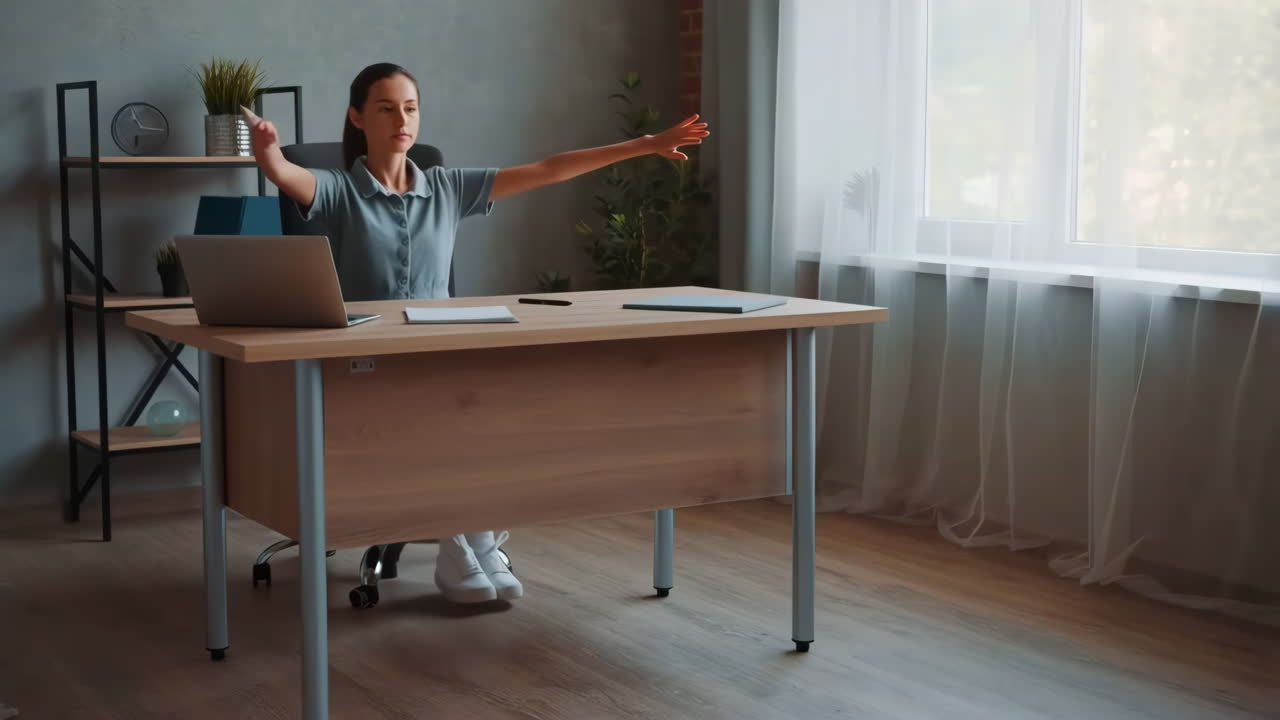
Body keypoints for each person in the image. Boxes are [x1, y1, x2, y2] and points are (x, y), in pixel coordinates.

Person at [247, 62, 710, 604]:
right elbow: (285, 175)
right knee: (451, 415)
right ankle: (461, 544)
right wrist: (268, 154)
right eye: (386, 107)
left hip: (440, 353)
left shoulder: (446, 187)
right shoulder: (336, 190)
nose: (402, 119)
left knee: (494, 405)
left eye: (411, 108)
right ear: (357, 116)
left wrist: (645, 145)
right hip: (364, 365)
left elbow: (550, 169)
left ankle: (476, 541)